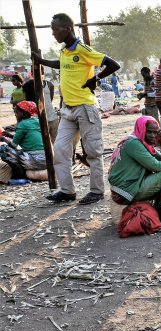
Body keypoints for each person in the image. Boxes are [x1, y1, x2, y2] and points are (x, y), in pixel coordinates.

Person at [33, 12, 120, 204]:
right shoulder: (65, 51)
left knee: (93, 152)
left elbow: (114, 64)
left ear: (67, 29)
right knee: (61, 149)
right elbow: (61, 65)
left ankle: (97, 191)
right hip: (68, 109)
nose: (53, 33)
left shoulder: (83, 49)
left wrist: (95, 79)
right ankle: (67, 191)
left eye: (55, 29)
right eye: (52, 29)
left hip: (86, 108)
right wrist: (41, 61)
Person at [109, 116, 161, 224]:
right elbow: (157, 166)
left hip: (131, 186)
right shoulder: (134, 144)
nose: (153, 136)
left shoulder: (141, 143)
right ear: (141, 130)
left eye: (155, 133)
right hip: (125, 192)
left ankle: (160, 209)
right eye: (149, 132)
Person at [0, 101, 47, 179]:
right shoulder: (38, 121)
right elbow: (28, 136)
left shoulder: (22, 124)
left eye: (16, 112)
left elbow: (13, 145)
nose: (15, 114)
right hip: (46, 158)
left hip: (34, 160)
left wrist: (3, 139)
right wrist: (10, 135)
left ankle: (19, 174)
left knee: (3, 149)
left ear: (24, 113)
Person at [23, 65, 59, 142]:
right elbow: (28, 103)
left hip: (52, 117)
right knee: (42, 142)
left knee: (55, 142)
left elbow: (50, 100)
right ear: (31, 73)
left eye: (37, 70)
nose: (35, 72)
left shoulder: (49, 85)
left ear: (42, 72)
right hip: (37, 120)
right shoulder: (28, 85)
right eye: (33, 71)